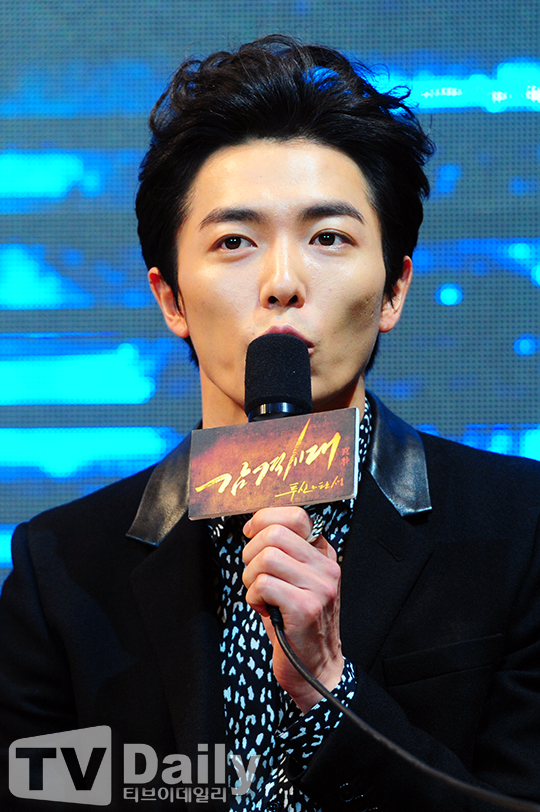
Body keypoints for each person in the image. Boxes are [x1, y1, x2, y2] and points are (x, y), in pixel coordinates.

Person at [1, 34, 540, 812]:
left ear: (394, 289)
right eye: (234, 242)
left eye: (329, 238)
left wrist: (330, 692)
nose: (282, 282)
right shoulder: (63, 566)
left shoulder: (520, 528)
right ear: (170, 298)